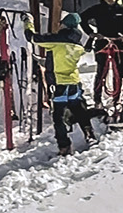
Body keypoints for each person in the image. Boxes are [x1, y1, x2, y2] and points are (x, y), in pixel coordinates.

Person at [30, 13, 98, 155]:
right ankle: (90, 135)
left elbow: (33, 38)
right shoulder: (77, 44)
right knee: (79, 110)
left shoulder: (56, 40)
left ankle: (64, 146)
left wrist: (27, 23)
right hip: (73, 82)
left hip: (58, 84)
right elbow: (63, 57)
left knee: (58, 117)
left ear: (64, 24)